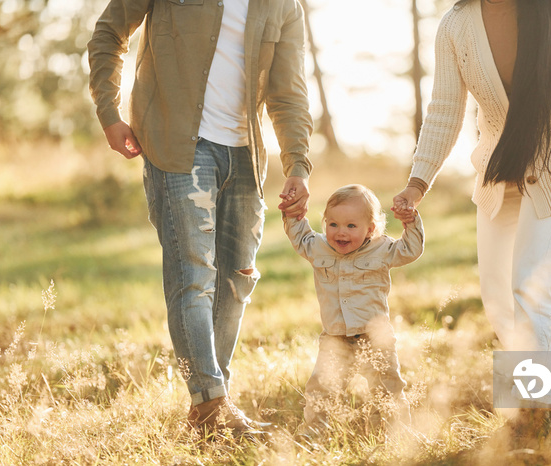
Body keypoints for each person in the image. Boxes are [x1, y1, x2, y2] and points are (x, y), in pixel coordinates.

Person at [393, 0, 551, 405]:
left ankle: (543, 408)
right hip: (499, 171)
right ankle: (545, 393)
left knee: (530, 284)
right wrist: (417, 184)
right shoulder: (456, 26)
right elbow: (443, 110)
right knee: (496, 296)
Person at [87, 0, 313, 435]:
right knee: (193, 275)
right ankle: (211, 403)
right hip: (176, 147)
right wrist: (109, 113)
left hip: (246, 155)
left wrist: (298, 165)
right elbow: (109, 33)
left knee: (236, 278)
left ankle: (210, 412)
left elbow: (288, 92)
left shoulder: (284, 6)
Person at [282, 184, 423, 435]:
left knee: (387, 387)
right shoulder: (318, 247)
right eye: (333, 224)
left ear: (370, 229)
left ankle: (396, 434)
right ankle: (313, 433)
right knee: (321, 389)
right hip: (335, 338)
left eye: (351, 226)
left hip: (375, 337)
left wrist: (411, 222)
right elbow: (299, 236)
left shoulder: (382, 249)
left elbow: (410, 250)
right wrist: (293, 210)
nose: (340, 232)